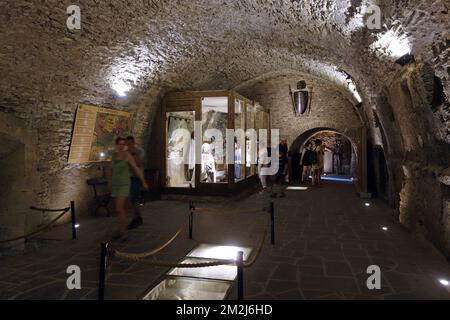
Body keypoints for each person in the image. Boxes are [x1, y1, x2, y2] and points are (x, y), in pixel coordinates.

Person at [107, 137, 148, 240]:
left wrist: (143, 181)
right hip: (116, 184)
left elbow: (136, 168)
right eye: (119, 144)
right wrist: (109, 182)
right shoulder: (114, 156)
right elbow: (110, 170)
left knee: (119, 208)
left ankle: (123, 231)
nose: (121, 146)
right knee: (119, 210)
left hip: (124, 184)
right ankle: (121, 228)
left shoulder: (128, 155)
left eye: (123, 144)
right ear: (116, 145)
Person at [126, 136, 146, 230]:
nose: (129, 145)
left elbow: (140, 162)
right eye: (127, 144)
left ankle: (137, 218)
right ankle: (136, 217)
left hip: (136, 177)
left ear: (133, 143)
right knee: (132, 199)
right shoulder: (126, 152)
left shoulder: (139, 151)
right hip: (128, 177)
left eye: (130, 143)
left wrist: (132, 156)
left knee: (135, 198)